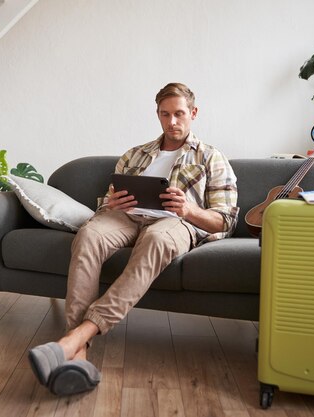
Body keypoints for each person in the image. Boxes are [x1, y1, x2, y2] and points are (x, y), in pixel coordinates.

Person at [28, 82, 239, 396]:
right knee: (89, 235)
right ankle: (79, 354)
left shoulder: (211, 157)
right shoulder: (135, 154)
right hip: (127, 217)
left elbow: (225, 219)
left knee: (156, 240)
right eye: (165, 114)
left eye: (179, 114)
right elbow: (107, 201)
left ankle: (74, 340)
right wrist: (111, 204)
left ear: (193, 113)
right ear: (157, 115)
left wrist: (188, 208)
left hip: (175, 222)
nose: (172, 122)